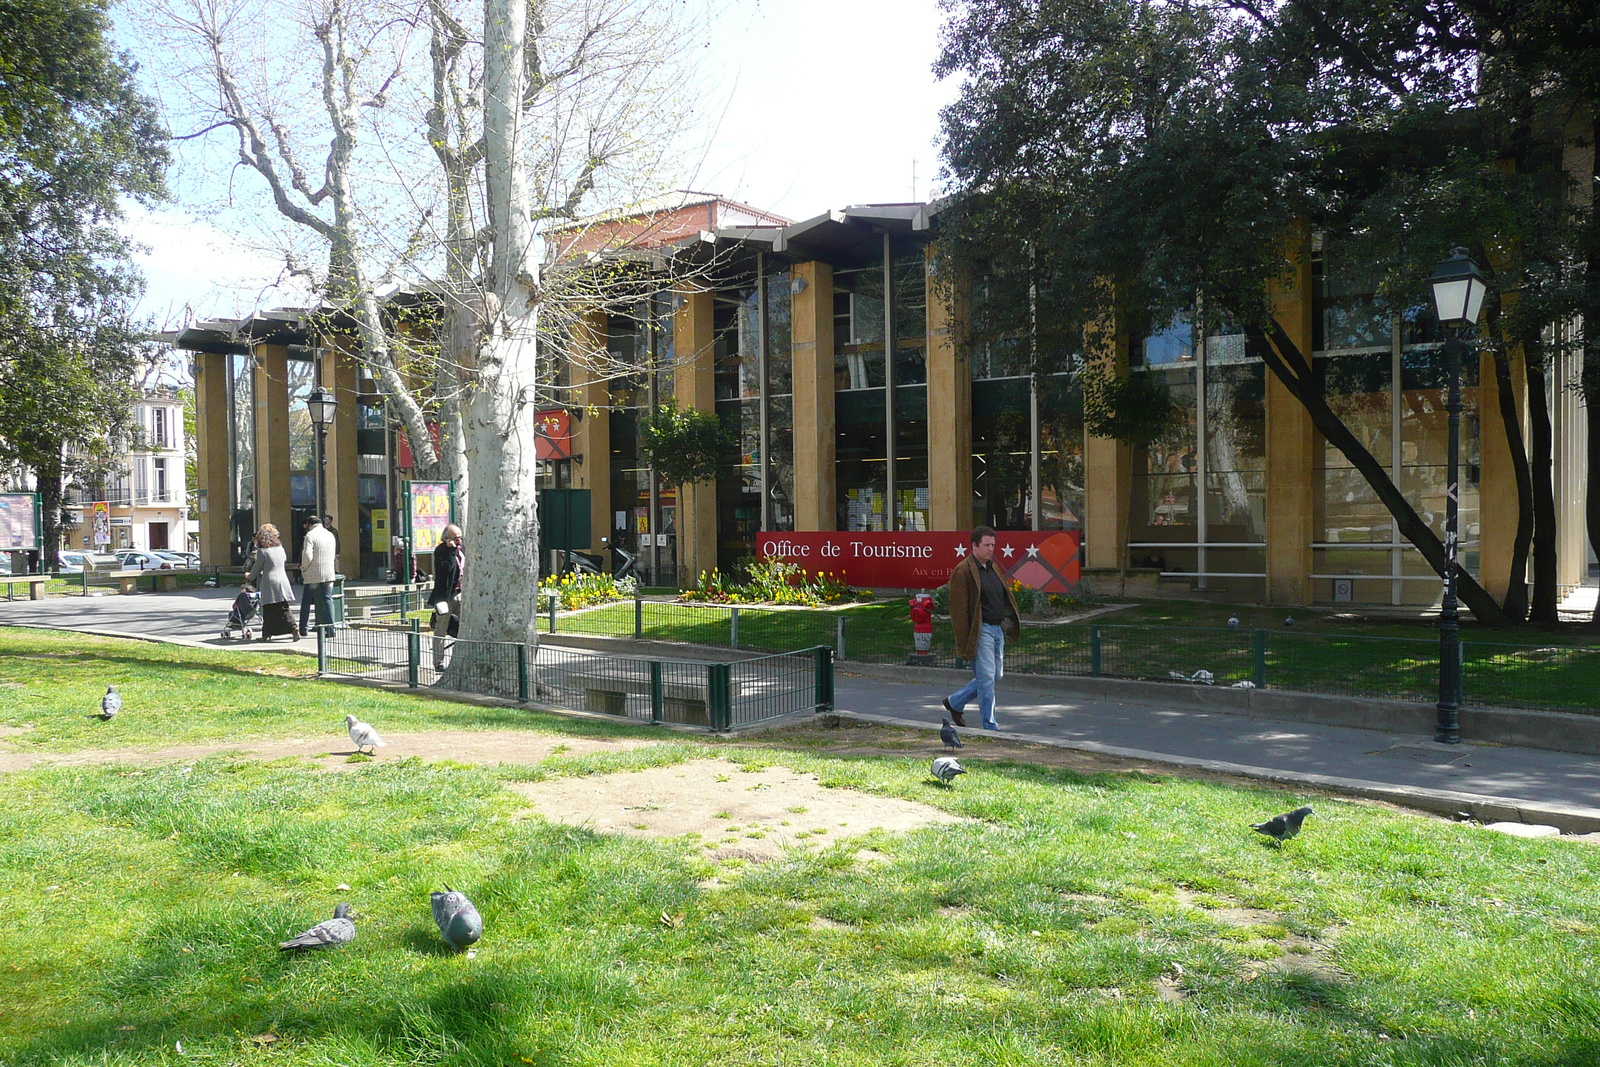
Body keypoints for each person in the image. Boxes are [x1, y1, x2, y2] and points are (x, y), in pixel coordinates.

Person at [942, 525, 1021, 731]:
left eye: (993, 545)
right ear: (974, 546)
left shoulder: (993, 567)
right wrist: (967, 639)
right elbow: (958, 610)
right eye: (986, 545)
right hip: (981, 631)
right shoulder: (963, 571)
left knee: (995, 677)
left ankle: (956, 702)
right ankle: (990, 724)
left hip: (997, 630)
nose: (991, 548)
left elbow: (1003, 597)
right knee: (986, 679)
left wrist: (1007, 622)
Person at [245, 523, 300, 641]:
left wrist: (249, 576)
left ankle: (267, 634)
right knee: (283, 606)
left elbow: (257, 568)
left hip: (269, 582)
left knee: (269, 609)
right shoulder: (280, 549)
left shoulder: (263, 552)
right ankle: (292, 628)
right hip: (283, 580)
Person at [428, 524, 463, 670]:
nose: (459, 541)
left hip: (460, 593)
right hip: (445, 597)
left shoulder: (462, 551)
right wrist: (450, 550)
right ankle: (438, 661)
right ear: (447, 539)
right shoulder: (441, 551)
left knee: (465, 626)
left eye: (460, 537)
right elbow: (446, 570)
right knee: (441, 629)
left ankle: (461, 657)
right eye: (455, 538)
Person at [298, 515, 338, 635]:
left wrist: (304, 568)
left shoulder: (310, 535)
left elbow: (307, 556)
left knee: (306, 600)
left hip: (313, 573)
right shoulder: (330, 534)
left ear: (310, 525)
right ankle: (331, 629)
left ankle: (303, 629)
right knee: (328, 599)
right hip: (329, 572)